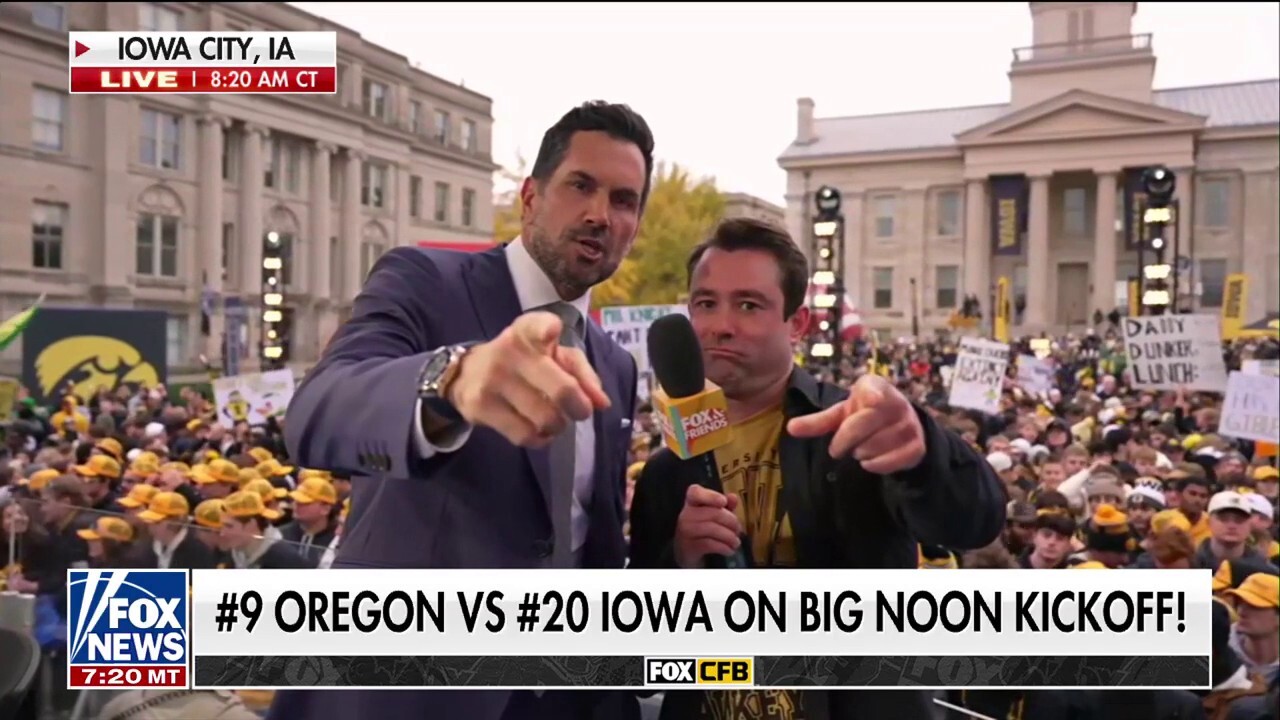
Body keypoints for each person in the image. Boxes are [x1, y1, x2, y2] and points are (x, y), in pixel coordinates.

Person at [270, 100, 654, 720]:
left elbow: (591, 543)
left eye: (623, 200)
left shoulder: (614, 364)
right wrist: (451, 381)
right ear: (530, 197)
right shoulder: (425, 280)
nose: (599, 214)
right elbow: (319, 409)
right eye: (580, 185)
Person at [628, 217, 1005, 720]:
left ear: (797, 324)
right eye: (705, 303)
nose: (720, 325)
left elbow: (976, 522)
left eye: (748, 305)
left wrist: (924, 454)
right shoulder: (665, 471)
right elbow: (644, 658)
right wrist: (680, 562)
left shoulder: (856, 429)